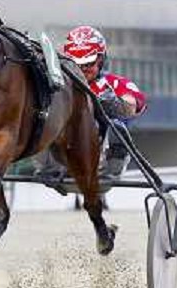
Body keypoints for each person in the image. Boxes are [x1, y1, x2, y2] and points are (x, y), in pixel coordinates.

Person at [63, 25, 147, 178]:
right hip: (63, 154)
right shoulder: (60, 84)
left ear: (101, 59)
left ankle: (109, 168)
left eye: (88, 64)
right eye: (76, 65)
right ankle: (52, 167)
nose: (82, 69)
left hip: (103, 154)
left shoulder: (112, 83)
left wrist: (115, 104)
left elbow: (136, 104)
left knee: (117, 127)